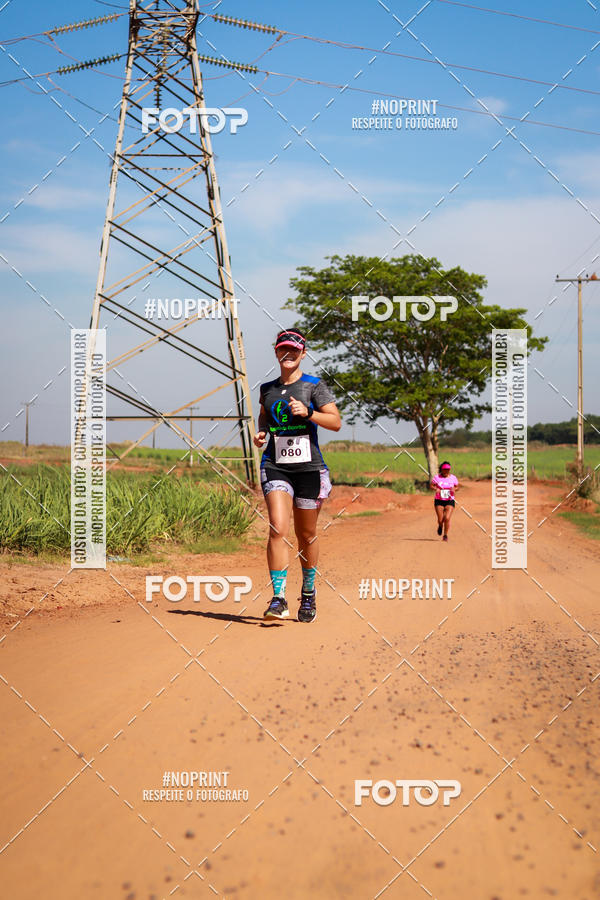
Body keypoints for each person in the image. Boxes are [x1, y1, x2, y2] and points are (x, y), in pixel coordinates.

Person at [253, 328, 341, 623]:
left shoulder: (314, 386)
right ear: (276, 352)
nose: (288, 354)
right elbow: (265, 413)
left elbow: (336, 422)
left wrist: (309, 413)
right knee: (278, 528)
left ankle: (308, 592)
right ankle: (278, 599)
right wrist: (262, 432)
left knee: (306, 535)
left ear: (303, 353)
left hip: (309, 469)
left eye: (294, 350)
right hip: (275, 465)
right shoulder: (266, 389)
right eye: (282, 350)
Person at [430, 460, 459, 542]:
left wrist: (454, 489)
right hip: (439, 500)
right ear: (441, 469)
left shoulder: (453, 478)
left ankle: (445, 535)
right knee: (440, 519)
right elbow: (431, 486)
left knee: (447, 518)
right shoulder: (437, 477)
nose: (446, 471)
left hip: (450, 500)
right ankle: (440, 526)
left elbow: (457, 487)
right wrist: (436, 489)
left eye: (448, 469)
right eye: (445, 469)